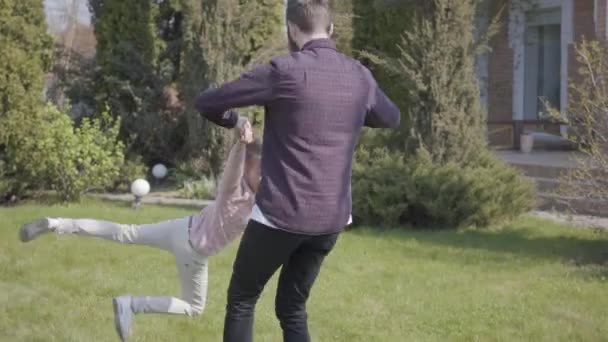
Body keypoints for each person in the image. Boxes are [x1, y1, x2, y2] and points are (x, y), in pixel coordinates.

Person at [194, 1, 401, 341]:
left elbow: (208, 102)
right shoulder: (358, 76)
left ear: (291, 29)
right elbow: (390, 117)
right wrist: (347, 106)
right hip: (330, 221)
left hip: (282, 215)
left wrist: (235, 119)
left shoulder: (282, 71)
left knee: (243, 299)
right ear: (331, 29)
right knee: (292, 306)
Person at [18, 120, 261, 341]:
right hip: (193, 250)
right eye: (261, 171)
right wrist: (241, 143)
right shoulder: (234, 189)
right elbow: (234, 166)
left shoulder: (256, 198)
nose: (265, 178)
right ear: (250, 166)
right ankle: (131, 305)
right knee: (193, 307)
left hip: (181, 227)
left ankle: (56, 223)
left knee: (125, 232)